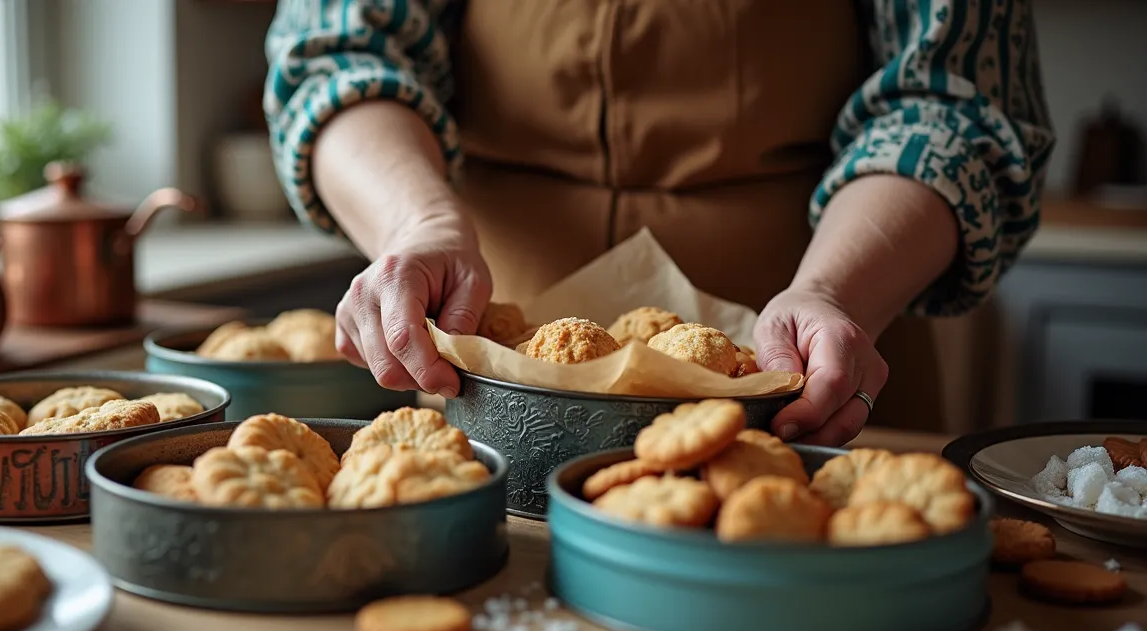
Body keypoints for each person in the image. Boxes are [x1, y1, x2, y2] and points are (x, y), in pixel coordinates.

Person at [263, 0, 1054, 446]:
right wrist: (420, 224)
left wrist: (835, 292)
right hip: (491, 377)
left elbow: (953, 105)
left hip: (812, 363)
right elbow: (338, 56)